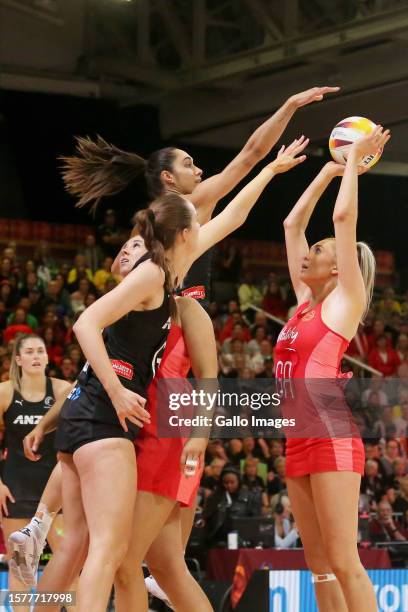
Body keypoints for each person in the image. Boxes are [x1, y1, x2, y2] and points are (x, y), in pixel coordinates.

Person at [21, 144, 306, 612]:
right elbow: (84, 331)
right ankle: (36, 529)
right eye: (197, 226)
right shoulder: (150, 280)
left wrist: (272, 169)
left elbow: (232, 218)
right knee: (110, 553)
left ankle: (37, 571)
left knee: (79, 549)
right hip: (111, 422)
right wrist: (116, 394)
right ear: (183, 234)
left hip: (86, 418)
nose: (204, 232)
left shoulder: (167, 290)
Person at [277, 126, 390, 612]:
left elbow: (344, 216)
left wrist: (351, 163)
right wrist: (325, 169)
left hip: (330, 432)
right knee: (317, 561)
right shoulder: (304, 302)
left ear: (339, 266)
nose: (309, 254)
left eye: (319, 251)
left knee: (343, 559)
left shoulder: (346, 301)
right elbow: (290, 224)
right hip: (296, 434)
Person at [0, 334, 71, 610]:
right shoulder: (5, 392)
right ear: (17, 359)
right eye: (28, 352)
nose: (36, 356)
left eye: (40, 351)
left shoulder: (63, 389)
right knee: (20, 568)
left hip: (56, 492)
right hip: (15, 490)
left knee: (67, 563)